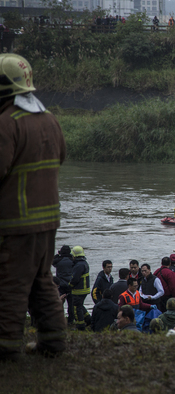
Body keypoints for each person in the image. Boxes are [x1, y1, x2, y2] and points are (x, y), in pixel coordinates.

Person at [0, 54, 68, 360]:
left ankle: (6, 348)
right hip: (48, 221)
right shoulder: (49, 119)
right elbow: (61, 159)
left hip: (16, 223)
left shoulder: (7, 123)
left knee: (10, 284)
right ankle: (53, 342)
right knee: (42, 280)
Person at [68, 246, 91, 331]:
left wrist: (70, 285)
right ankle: (88, 319)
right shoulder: (84, 263)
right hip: (84, 290)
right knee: (80, 306)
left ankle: (80, 326)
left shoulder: (78, 265)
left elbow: (75, 279)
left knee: (76, 308)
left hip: (79, 290)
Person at [53, 245, 75, 324]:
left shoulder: (58, 260)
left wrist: (58, 255)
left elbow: (52, 261)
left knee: (59, 302)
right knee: (71, 304)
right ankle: (70, 320)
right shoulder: (72, 260)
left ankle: (59, 319)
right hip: (70, 285)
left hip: (60, 285)